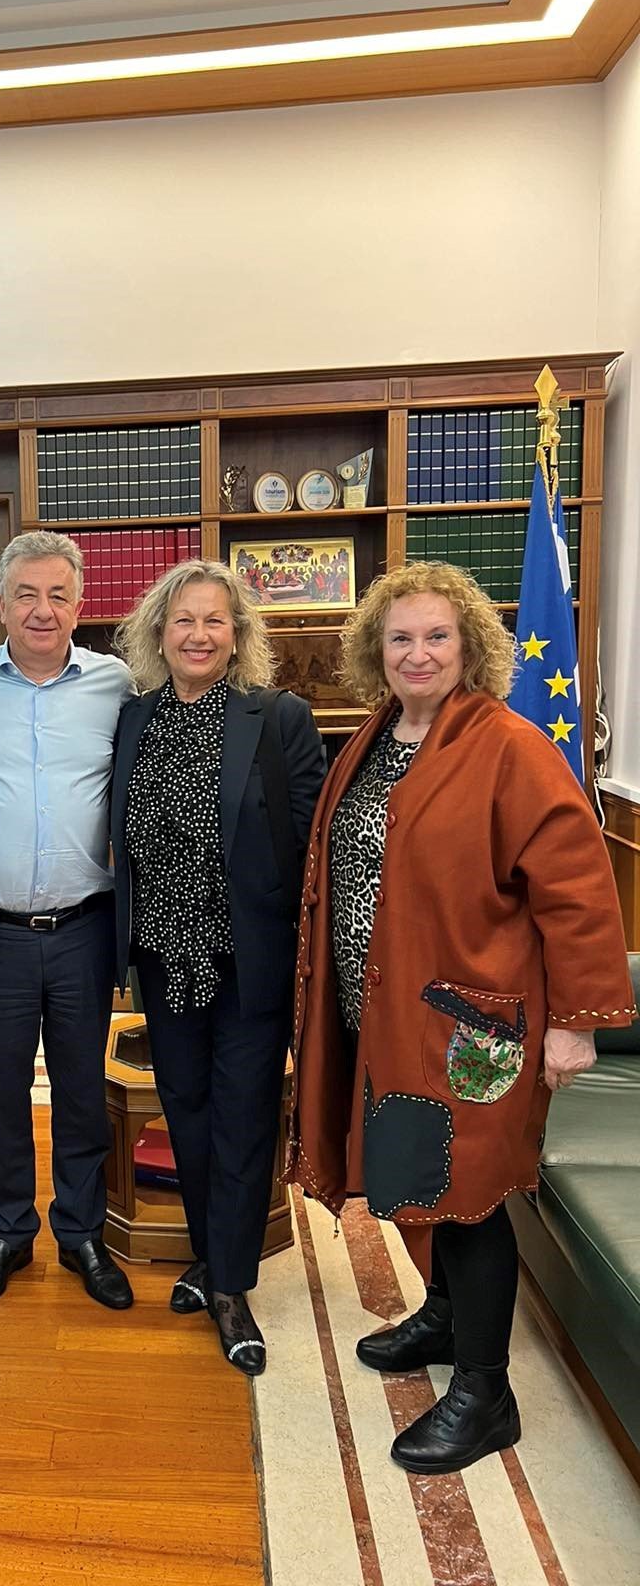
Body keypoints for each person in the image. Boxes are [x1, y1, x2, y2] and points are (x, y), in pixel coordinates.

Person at [288, 562, 635, 1474]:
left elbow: (577, 889)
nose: (418, 653)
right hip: (381, 1009)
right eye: (399, 637)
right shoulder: (375, 737)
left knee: (470, 1198)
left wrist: (577, 1021)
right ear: (375, 651)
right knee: (420, 1176)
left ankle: (487, 1395)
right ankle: (444, 1319)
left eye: (437, 635)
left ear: (470, 645)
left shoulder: (508, 745)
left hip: (470, 1025)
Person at [112, 560, 324, 1373]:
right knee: (188, 1113)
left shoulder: (278, 718)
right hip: (165, 959)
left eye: (215, 621)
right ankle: (210, 1254)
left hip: (248, 961)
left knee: (242, 1117)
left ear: (238, 637)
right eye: (183, 620)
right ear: (159, 633)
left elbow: (309, 843)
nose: (198, 635)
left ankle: (229, 1287)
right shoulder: (134, 720)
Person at [0, 532, 136, 1313]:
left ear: (80, 606)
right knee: (1, 1091)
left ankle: (81, 1231)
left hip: (86, 926)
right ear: (2, 604)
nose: (42, 610)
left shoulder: (115, 684)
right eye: (27, 594)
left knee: (82, 1090)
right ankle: (8, 1232)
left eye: (58, 595)